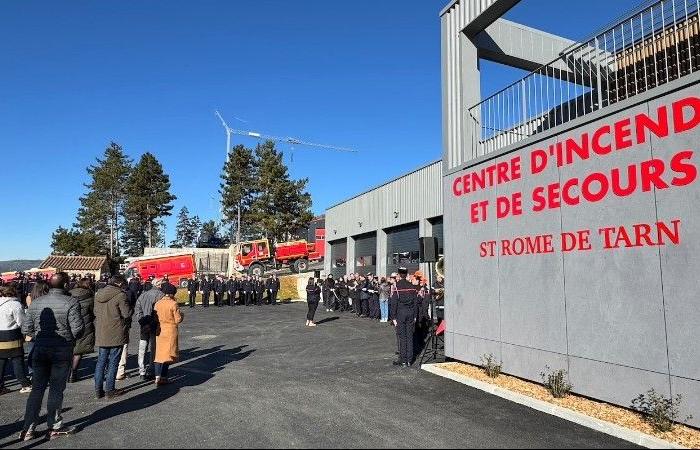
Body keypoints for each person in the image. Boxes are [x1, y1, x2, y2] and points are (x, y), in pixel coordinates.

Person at [21, 272, 84, 441]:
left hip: (40, 348)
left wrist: (39, 336)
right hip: (61, 349)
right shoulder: (71, 302)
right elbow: (78, 329)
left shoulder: (36, 303)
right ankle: (54, 425)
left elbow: (26, 329)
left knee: (37, 389)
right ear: (65, 285)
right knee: (56, 389)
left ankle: (28, 427)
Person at [94, 275, 132, 399]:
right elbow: (126, 314)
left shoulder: (98, 295)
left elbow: (95, 312)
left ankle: (98, 389)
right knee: (113, 362)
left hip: (101, 331)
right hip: (116, 331)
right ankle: (110, 390)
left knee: (101, 361)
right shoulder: (121, 295)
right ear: (120, 284)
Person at [0, 284, 31, 395]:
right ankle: (25, 384)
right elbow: (21, 322)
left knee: (1, 362)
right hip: (12, 335)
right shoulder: (15, 304)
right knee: (17, 360)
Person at [153, 284, 183, 386]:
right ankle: (164, 377)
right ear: (172, 293)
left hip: (159, 330)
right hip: (170, 330)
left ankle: (157, 376)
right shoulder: (173, 304)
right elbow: (178, 319)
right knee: (168, 355)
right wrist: (182, 315)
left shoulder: (158, 303)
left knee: (159, 354)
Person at [134, 278, 164, 381]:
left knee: (142, 348)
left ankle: (141, 370)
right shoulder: (161, 295)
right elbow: (160, 312)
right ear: (158, 285)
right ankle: (152, 369)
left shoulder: (143, 295)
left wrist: (142, 321)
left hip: (144, 324)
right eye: (161, 283)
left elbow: (137, 310)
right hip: (155, 324)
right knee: (154, 348)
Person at [390, 268, 419, 368]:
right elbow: (415, 302)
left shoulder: (396, 286)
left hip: (400, 314)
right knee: (410, 337)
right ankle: (409, 361)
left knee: (402, 337)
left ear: (399, 275)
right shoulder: (412, 286)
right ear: (407, 275)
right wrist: (415, 315)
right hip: (411, 313)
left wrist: (393, 317)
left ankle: (403, 360)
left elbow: (394, 303)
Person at [68, 279, 95, 383]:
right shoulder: (90, 296)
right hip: (84, 324)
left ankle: (67, 372)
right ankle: (72, 374)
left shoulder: (68, 295)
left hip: (69, 324)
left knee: (69, 349)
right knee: (79, 351)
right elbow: (93, 312)